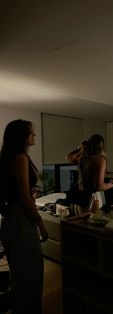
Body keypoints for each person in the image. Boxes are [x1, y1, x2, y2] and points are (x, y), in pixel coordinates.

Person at [0, 119, 48, 314]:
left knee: (20, 278)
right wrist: (41, 224)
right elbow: (25, 198)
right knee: (32, 278)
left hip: (11, 223)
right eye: (31, 133)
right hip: (21, 225)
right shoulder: (20, 158)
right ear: (21, 137)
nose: (34, 136)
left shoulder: (8, 157)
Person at [67, 134, 113, 208]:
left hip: (78, 195)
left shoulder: (82, 158)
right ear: (101, 146)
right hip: (91, 198)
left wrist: (80, 149)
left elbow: (68, 157)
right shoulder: (100, 160)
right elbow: (99, 187)